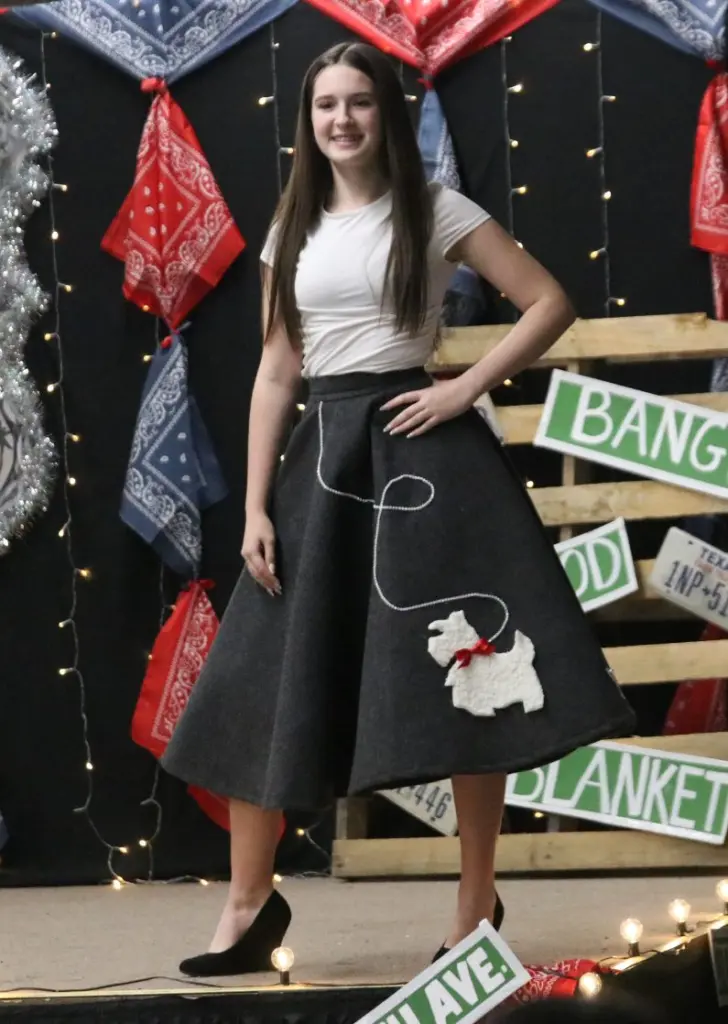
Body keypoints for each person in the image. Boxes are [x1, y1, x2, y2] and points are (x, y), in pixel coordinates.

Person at [162, 41, 635, 977]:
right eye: (325, 105)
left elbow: (548, 301)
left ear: (386, 114)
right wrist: (254, 506)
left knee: (467, 680)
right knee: (258, 677)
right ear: (308, 121)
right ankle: (249, 902)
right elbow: (276, 371)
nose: (341, 120)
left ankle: (475, 901)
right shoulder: (291, 227)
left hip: (424, 460)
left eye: (360, 103)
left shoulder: (435, 207)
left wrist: (463, 388)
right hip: (323, 461)